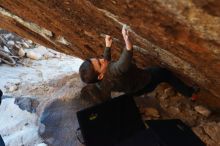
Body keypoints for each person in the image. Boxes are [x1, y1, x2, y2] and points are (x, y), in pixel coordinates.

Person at [79, 26, 198, 104]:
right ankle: (190, 93)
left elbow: (106, 63)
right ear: (99, 76)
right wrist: (128, 44)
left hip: (132, 89)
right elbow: (122, 64)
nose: (101, 59)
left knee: (147, 73)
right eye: (99, 62)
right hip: (145, 81)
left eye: (97, 59)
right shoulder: (113, 72)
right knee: (164, 73)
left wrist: (108, 47)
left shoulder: (100, 81)